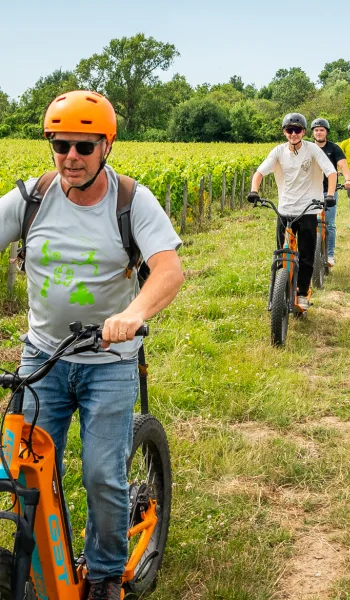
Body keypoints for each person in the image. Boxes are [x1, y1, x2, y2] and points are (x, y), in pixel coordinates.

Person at [0, 91, 184, 600]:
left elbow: (168, 270)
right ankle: (40, 567)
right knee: (23, 473)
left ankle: (105, 575)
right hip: (43, 357)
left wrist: (132, 313)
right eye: (61, 145)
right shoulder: (33, 198)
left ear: (106, 145)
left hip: (109, 360)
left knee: (103, 474)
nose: (71, 157)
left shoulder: (130, 200)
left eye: (84, 145)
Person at [248, 113, 337, 310]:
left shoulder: (312, 149)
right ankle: (280, 289)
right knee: (281, 253)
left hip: (308, 209)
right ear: (284, 132)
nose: (293, 134)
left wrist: (329, 195)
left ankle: (303, 292)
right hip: (284, 210)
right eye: (290, 130)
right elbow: (260, 172)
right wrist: (254, 190)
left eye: (297, 130)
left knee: (306, 255)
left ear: (304, 132)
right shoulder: (278, 152)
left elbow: (331, 172)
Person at [310, 118, 350, 267]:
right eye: (316, 130)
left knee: (330, 224)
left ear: (326, 132)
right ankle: (310, 255)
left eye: (321, 130)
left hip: (329, 190)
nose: (319, 132)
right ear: (313, 133)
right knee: (308, 224)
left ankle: (330, 255)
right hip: (310, 191)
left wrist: (347, 179)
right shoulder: (307, 148)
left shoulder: (334, 148)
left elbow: (343, 165)